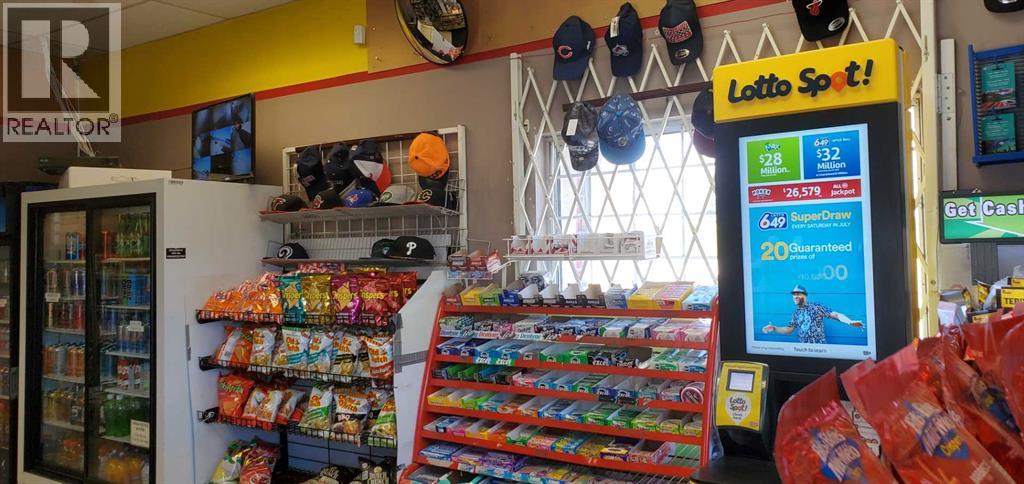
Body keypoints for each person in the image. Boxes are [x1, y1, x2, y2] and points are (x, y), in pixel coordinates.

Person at [762, 285, 863, 344]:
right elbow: (789, 329)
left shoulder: (816, 307)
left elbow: (835, 315)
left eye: (798, 294)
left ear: (805, 295)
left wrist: (849, 322)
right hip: (803, 351)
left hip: (819, 350)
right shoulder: (796, 313)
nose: (795, 296)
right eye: (794, 295)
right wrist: (774, 328)